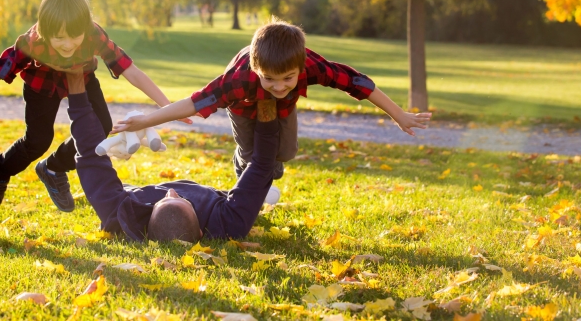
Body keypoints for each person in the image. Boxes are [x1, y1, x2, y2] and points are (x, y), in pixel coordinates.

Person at [0, 0, 188, 212]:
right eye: (59, 38)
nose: (68, 44)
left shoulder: (92, 35)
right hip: (41, 87)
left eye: (75, 36)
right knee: (37, 141)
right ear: (45, 30)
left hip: (83, 79)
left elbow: (131, 71)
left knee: (101, 131)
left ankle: (53, 169)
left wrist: (169, 106)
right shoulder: (31, 43)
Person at [112, 17, 431, 202]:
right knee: (251, 153)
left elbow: (357, 82)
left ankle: (264, 168)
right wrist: (146, 118)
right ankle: (243, 164)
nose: (279, 86)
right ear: (255, 69)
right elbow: (194, 103)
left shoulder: (308, 66)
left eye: (288, 79)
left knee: (286, 153)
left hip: (282, 110)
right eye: (270, 79)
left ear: (299, 66)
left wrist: (399, 114)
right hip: (244, 106)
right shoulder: (237, 81)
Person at [64, 69, 280, 241]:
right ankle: (257, 196)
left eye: (164, 199)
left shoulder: (122, 214)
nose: (172, 191)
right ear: (201, 233)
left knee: (100, 175)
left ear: (149, 219)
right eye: (183, 200)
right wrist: (267, 101)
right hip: (219, 196)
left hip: (130, 191)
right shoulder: (228, 223)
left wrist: (75, 86)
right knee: (262, 192)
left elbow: (90, 156)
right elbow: (261, 164)